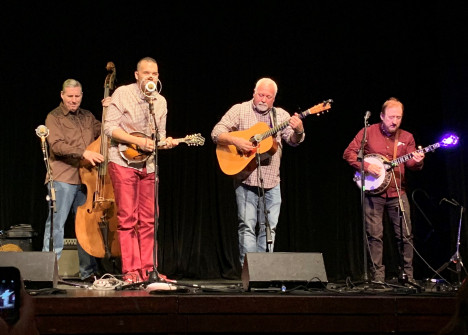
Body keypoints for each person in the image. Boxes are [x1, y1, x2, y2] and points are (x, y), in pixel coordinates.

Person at [211, 77, 305, 266]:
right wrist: (236, 141)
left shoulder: (281, 116)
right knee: (246, 226)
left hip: (272, 181)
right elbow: (216, 133)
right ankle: (249, 271)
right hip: (245, 178)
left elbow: (293, 141)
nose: (263, 99)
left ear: (274, 99)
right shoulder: (239, 110)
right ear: (254, 93)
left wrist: (299, 131)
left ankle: (264, 272)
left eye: (268, 97)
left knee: (269, 228)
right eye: (260, 95)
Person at [104, 57, 178, 283]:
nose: (150, 77)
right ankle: (131, 271)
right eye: (146, 73)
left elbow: (160, 136)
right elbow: (109, 128)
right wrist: (135, 142)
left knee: (149, 219)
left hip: (149, 164)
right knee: (128, 218)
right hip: (122, 160)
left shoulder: (160, 102)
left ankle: (149, 270)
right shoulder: (122, 94)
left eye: (154, 74)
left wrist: (166, 142)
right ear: (137, 75)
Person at [343, 97, 425, 285]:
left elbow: (412, 164)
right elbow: (349, 153)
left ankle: (407, 276)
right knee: (374, 236)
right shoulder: (368, 132)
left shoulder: (407, 137)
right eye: (390, 117)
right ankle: (377, 278)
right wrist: (365, 166)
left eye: (398, 117)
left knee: (405, 236)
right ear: (381, 116)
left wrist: (418, 161)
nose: (394, 121)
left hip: (398, 192)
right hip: (373, 194)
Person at [42, 78, 111, 281]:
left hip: (86, 180)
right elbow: (56, 145)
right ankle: (47, 274)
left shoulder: (88, 116)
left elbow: (105, 134)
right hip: (63, 178)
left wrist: (110, 109)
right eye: (70, 96)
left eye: (77, 96)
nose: (74, 100)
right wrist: (84, 153)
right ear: (62, 96)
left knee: (86, 227)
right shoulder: (53, 117)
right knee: (56, 225)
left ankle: (87, 272)